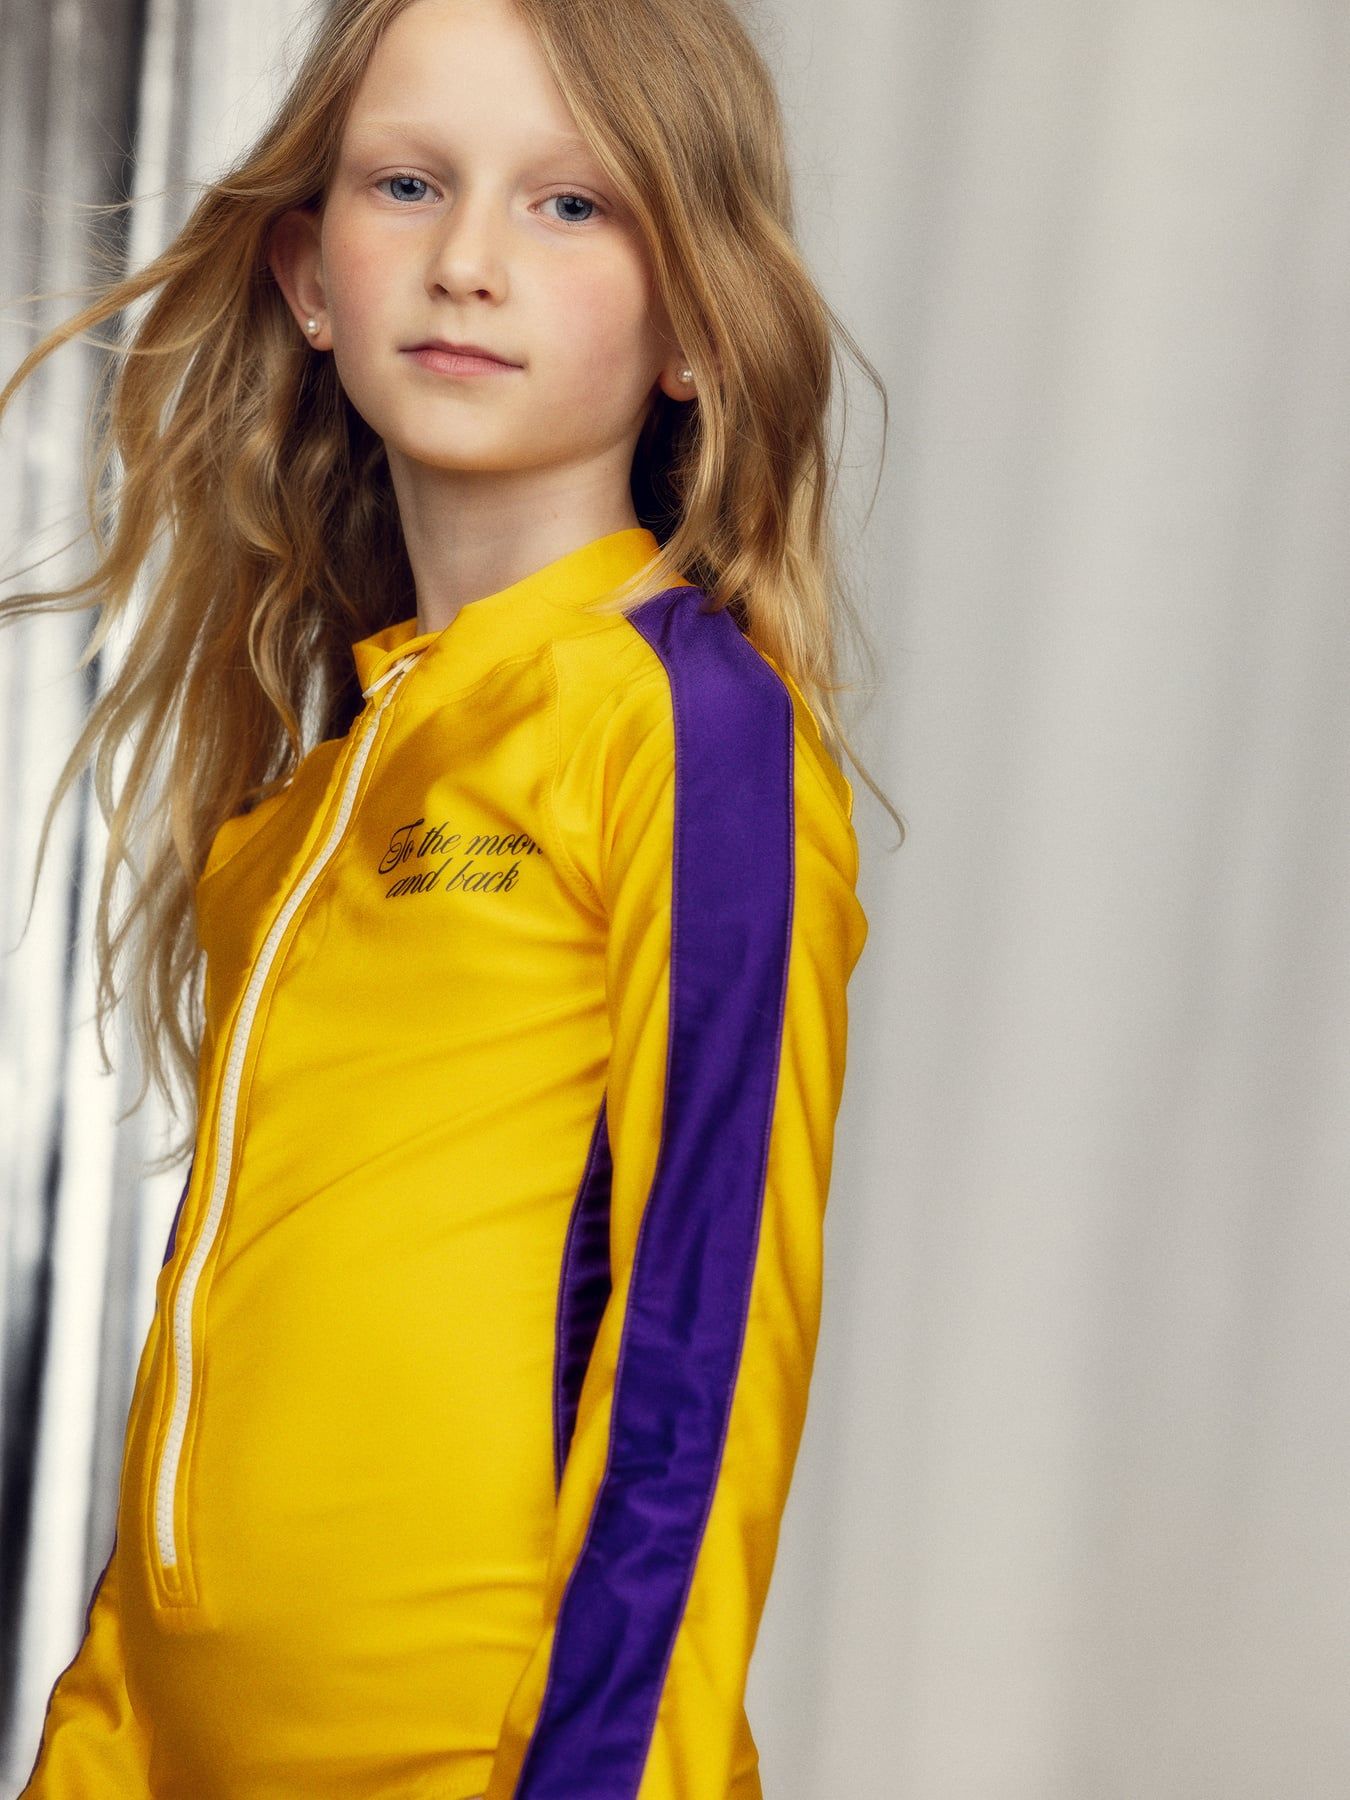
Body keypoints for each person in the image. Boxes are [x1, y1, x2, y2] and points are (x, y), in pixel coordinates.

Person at [4, 0, 902, 1792]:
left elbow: (707, 1343)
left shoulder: (680, 727)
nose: (468, 261)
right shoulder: (308, 800)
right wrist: (95, 1741)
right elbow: (209, 1368)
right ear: (307, 279)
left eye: (572, 204)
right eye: (408, 184)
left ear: (696, 324)